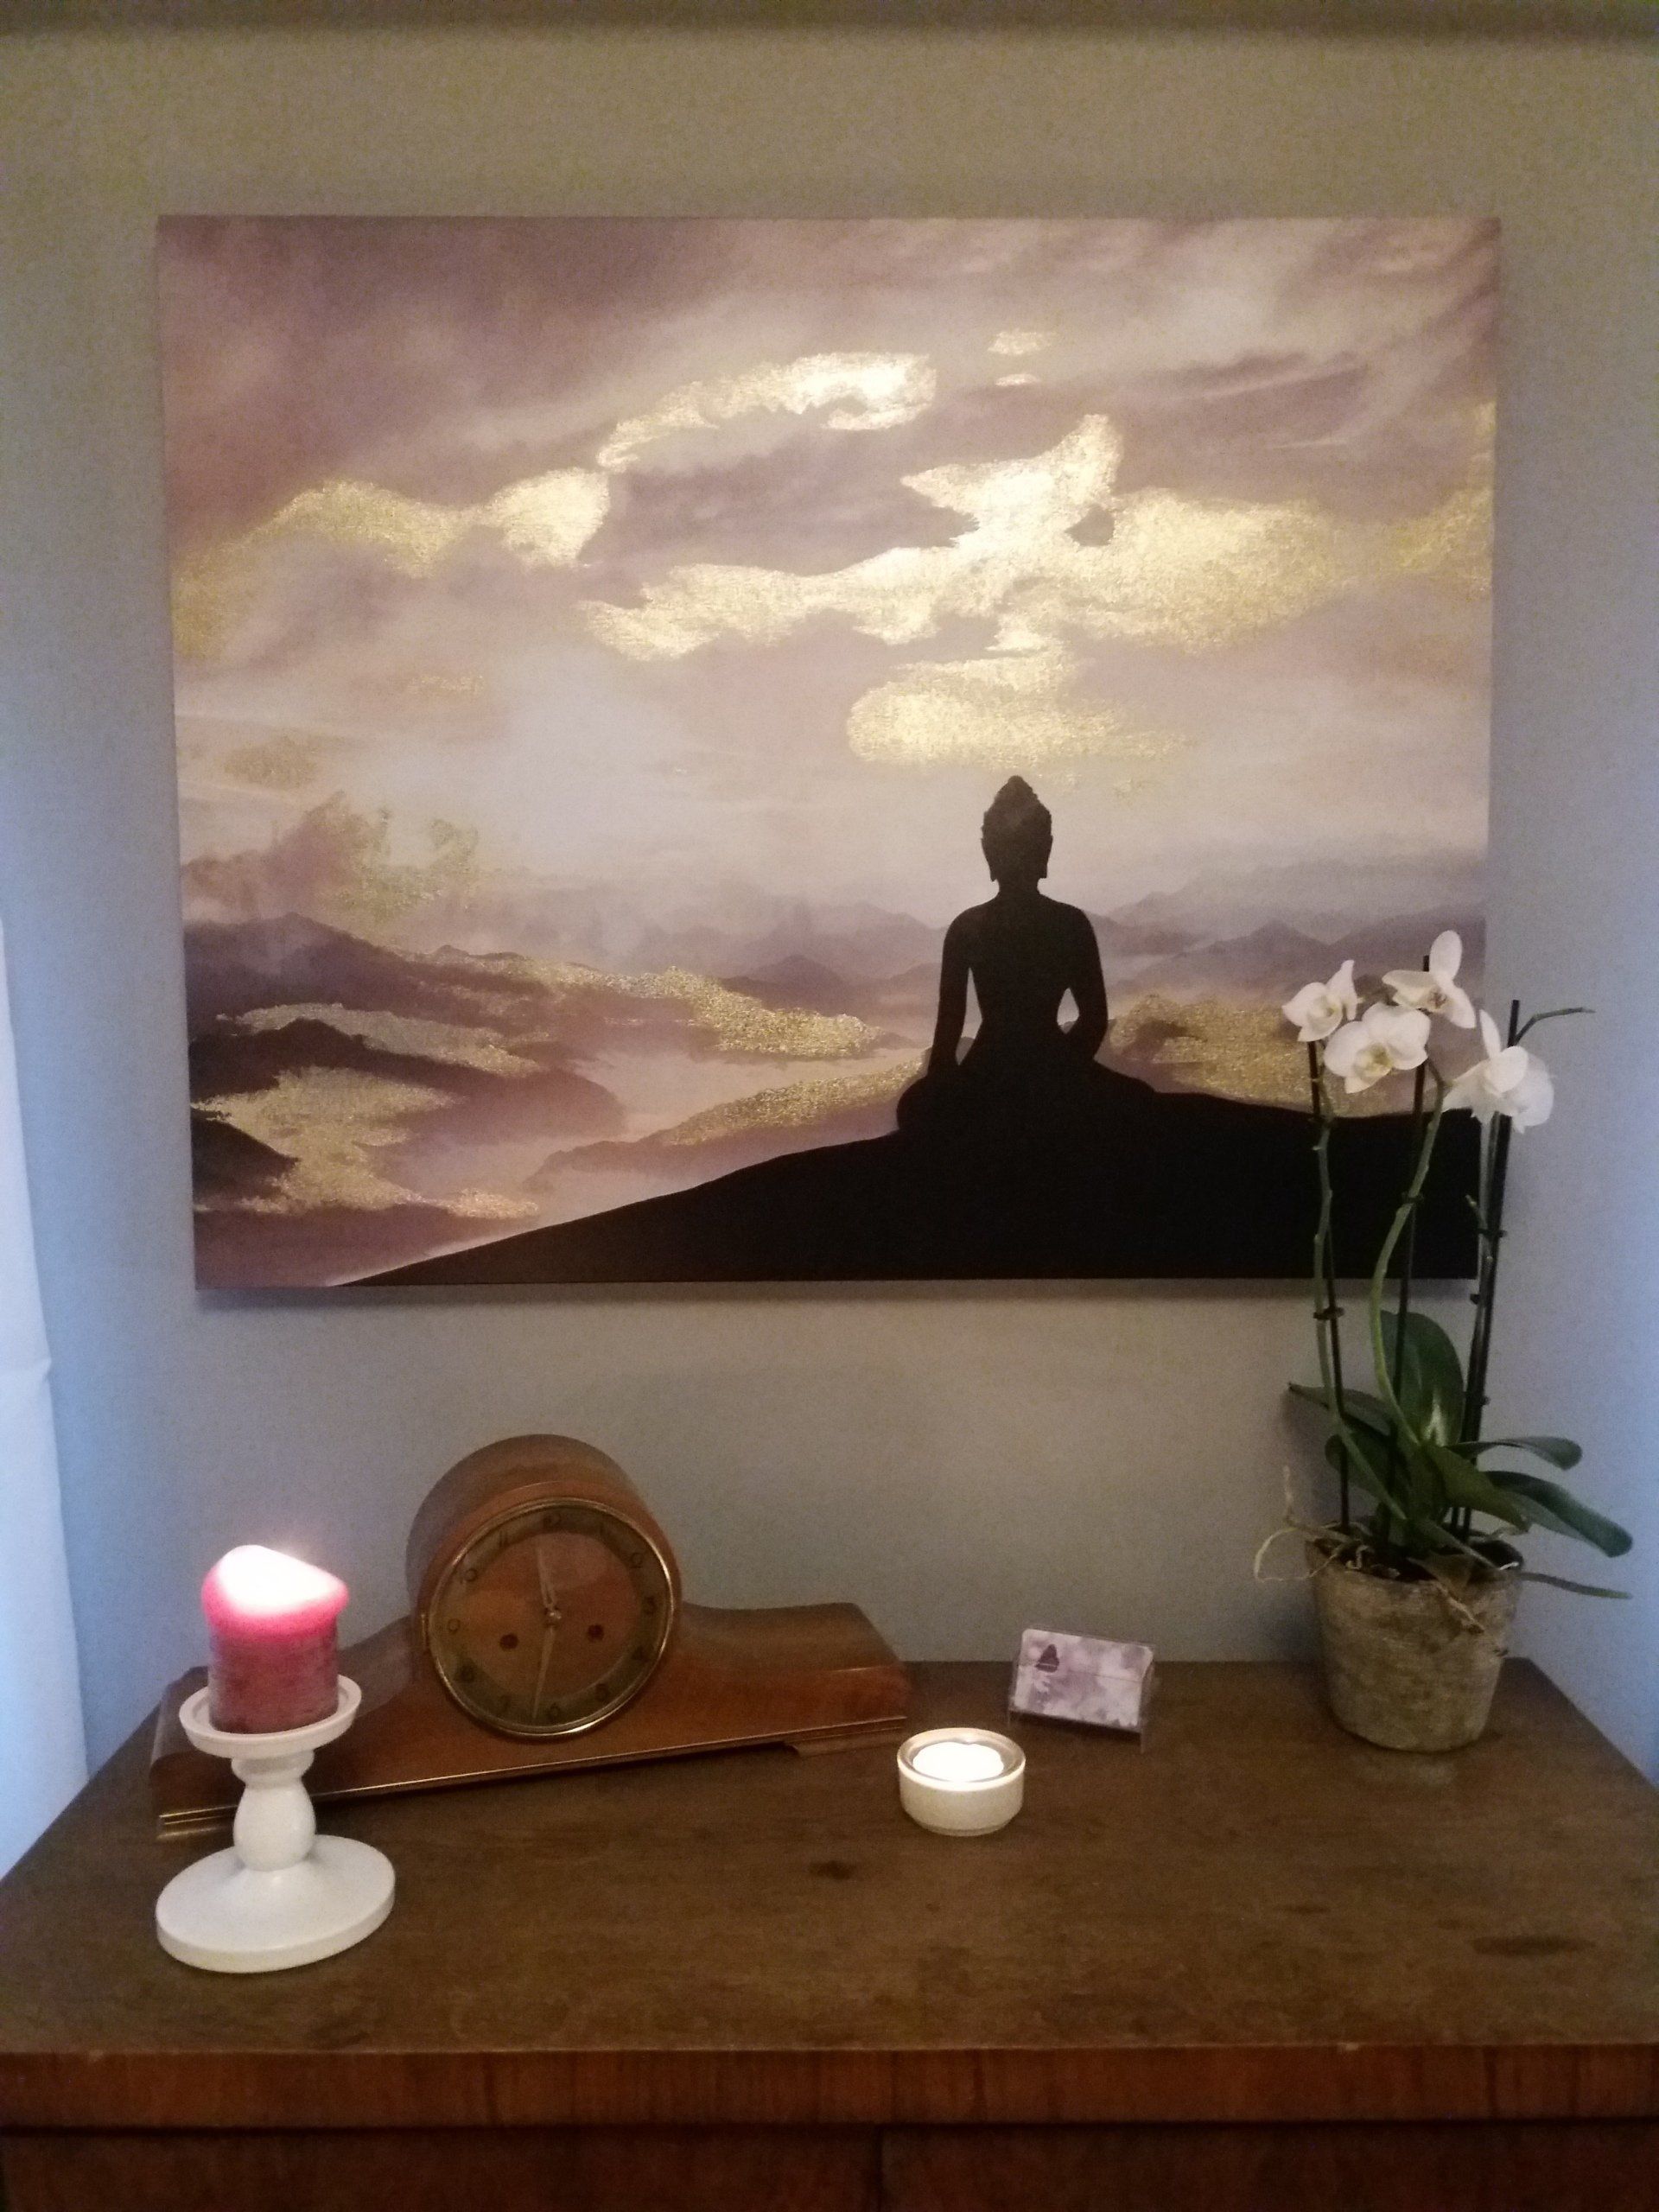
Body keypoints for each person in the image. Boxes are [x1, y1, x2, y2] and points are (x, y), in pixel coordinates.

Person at [898, 778, 1142, 1154]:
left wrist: (948, 1086)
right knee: (1135, 1102)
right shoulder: (1066, 924)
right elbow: (1092, 1021)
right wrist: (1057, 1075)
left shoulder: (971, 927)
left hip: (1000, 1069)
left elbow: (947, 1039)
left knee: (919, 1108)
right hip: (1042, 1066)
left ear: (989, 852)